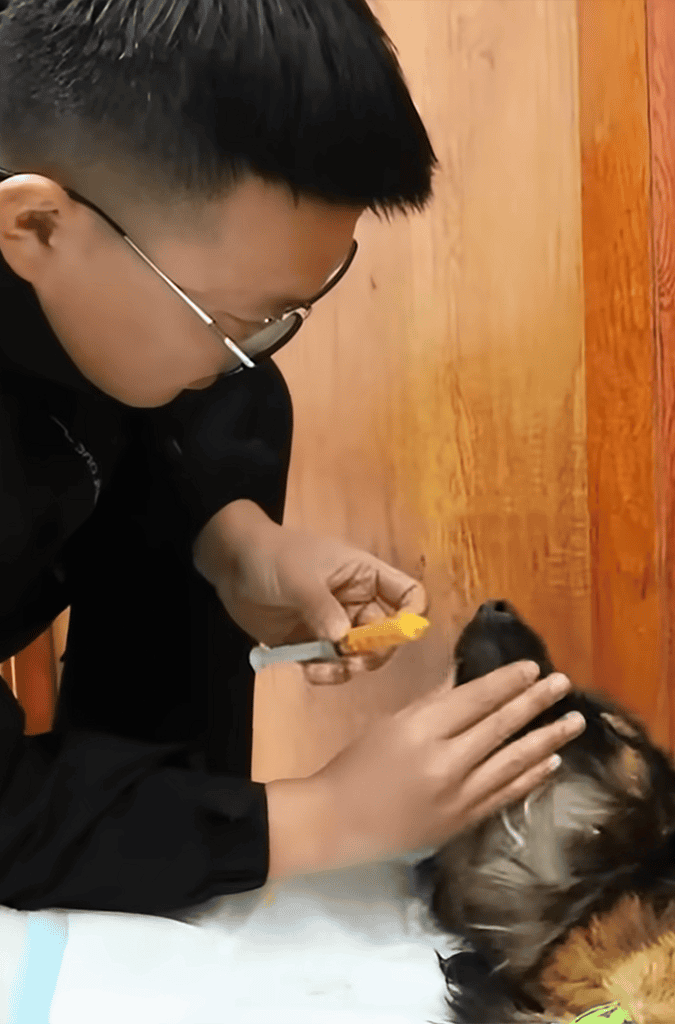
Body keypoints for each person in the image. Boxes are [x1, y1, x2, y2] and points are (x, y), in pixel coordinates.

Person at [0, 0, 587, 918]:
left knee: (229, 397)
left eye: (291, 311)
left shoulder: (149, 319)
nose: (257, 348)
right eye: (239, 318)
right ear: (37, 227)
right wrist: (320, 817)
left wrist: (233, 543)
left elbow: (179, 409)